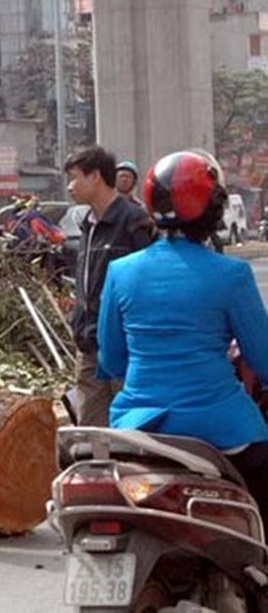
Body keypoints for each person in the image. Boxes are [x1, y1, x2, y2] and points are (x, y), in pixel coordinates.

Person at [98, 149, 268, 515]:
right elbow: (263, 360)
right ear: (214, 211)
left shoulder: (121, 272)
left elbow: (111, 359)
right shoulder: (231, 275)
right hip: (220, 427)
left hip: (137, 426)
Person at [64, 146, 156, 427]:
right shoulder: (87, 225)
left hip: (124, 348)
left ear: (95, 177)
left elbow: (146, 286)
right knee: (90, 430)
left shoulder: (134, 221)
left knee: (128, 430)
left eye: (75, 177)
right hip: (89, 345)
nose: (70, 186)